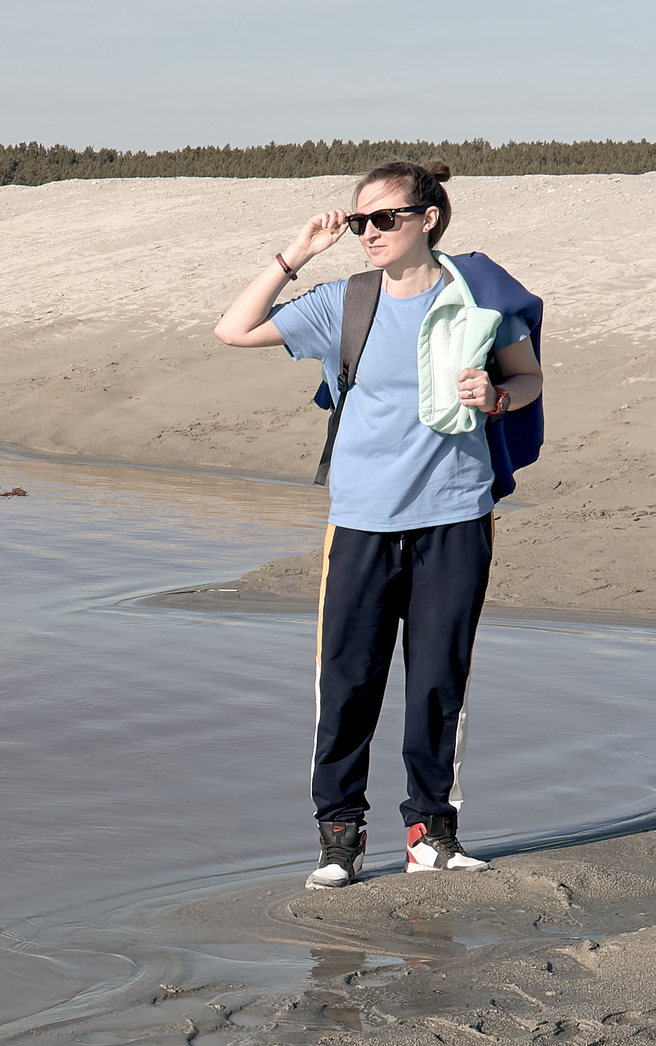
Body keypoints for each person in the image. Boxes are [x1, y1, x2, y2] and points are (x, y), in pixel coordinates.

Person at [214, 161, 543, 888]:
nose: (368, 232)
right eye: (360, 220)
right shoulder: (343, 301)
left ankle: (432, 835)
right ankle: (341, 839)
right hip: (361, 521)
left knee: (438, 682)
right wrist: (298, 252)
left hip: (455, 516)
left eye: (383, 219)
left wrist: (496, 396)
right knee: (348, 682)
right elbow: (233, 330)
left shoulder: (478, 298)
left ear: (428, 219)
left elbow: (528, 378)